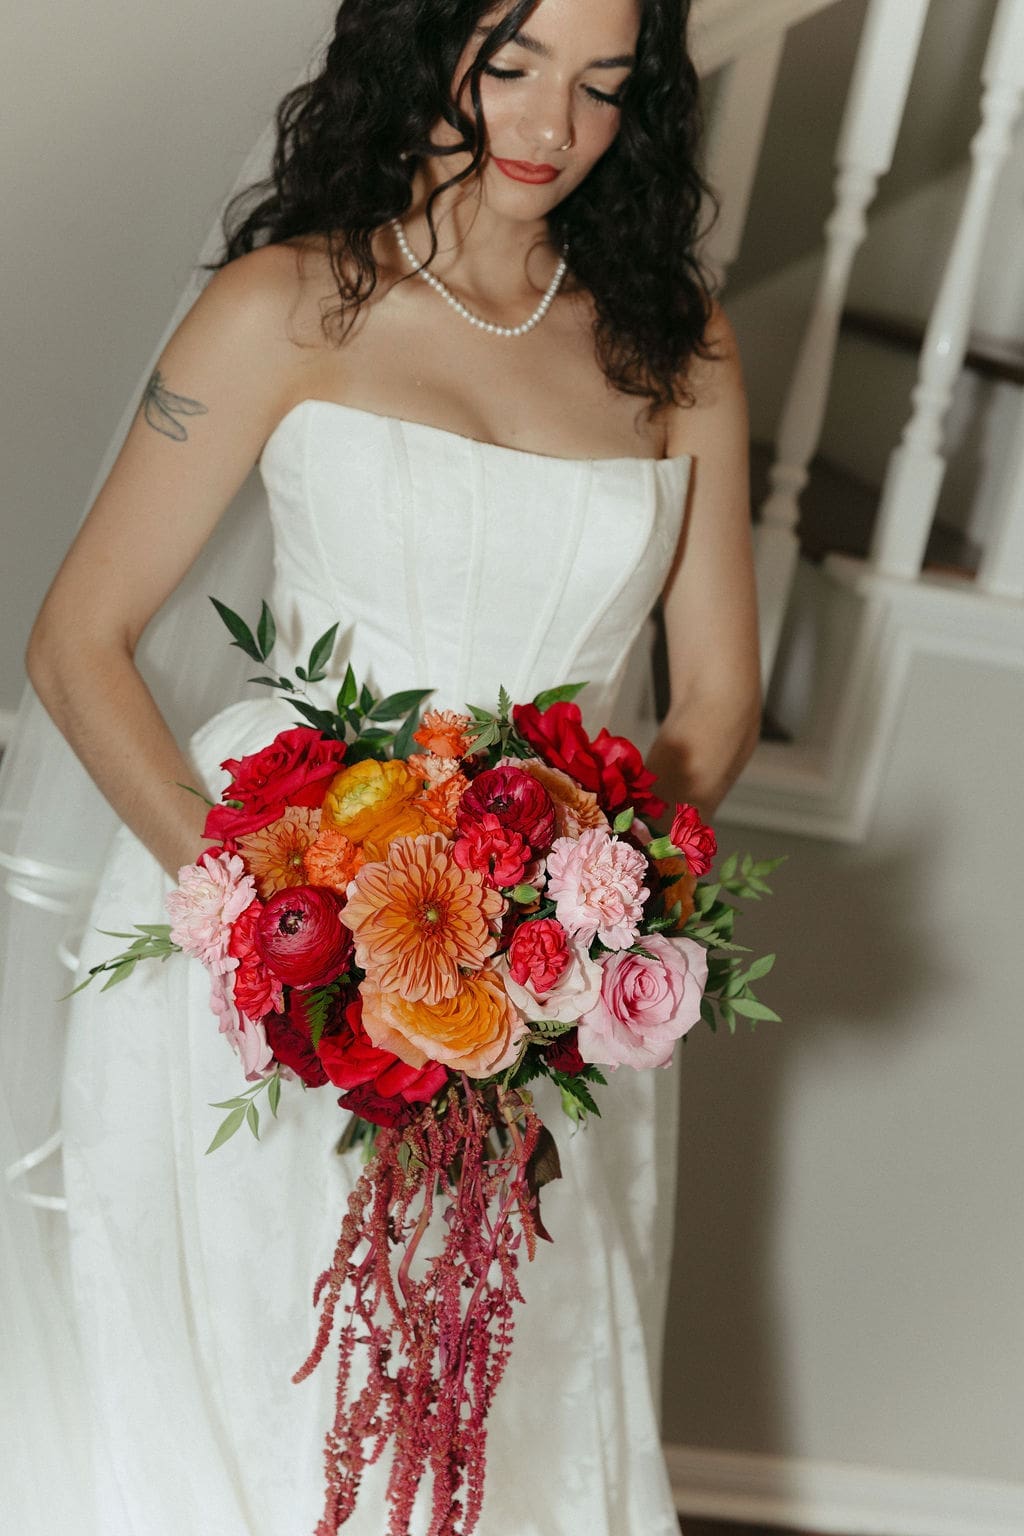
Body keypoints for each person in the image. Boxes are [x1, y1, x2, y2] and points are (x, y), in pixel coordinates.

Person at [5, 0, 759, 1531]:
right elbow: (78, 643)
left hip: (539, 994)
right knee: (255, 1390)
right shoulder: (285, 304)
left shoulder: (676, 346)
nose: (551, 127)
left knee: (499, 1406)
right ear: (424, 48)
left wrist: (577, 930)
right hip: (258, 956)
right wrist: (275, 924)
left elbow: (718, 703)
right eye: (511, 66)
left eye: (603, 87)